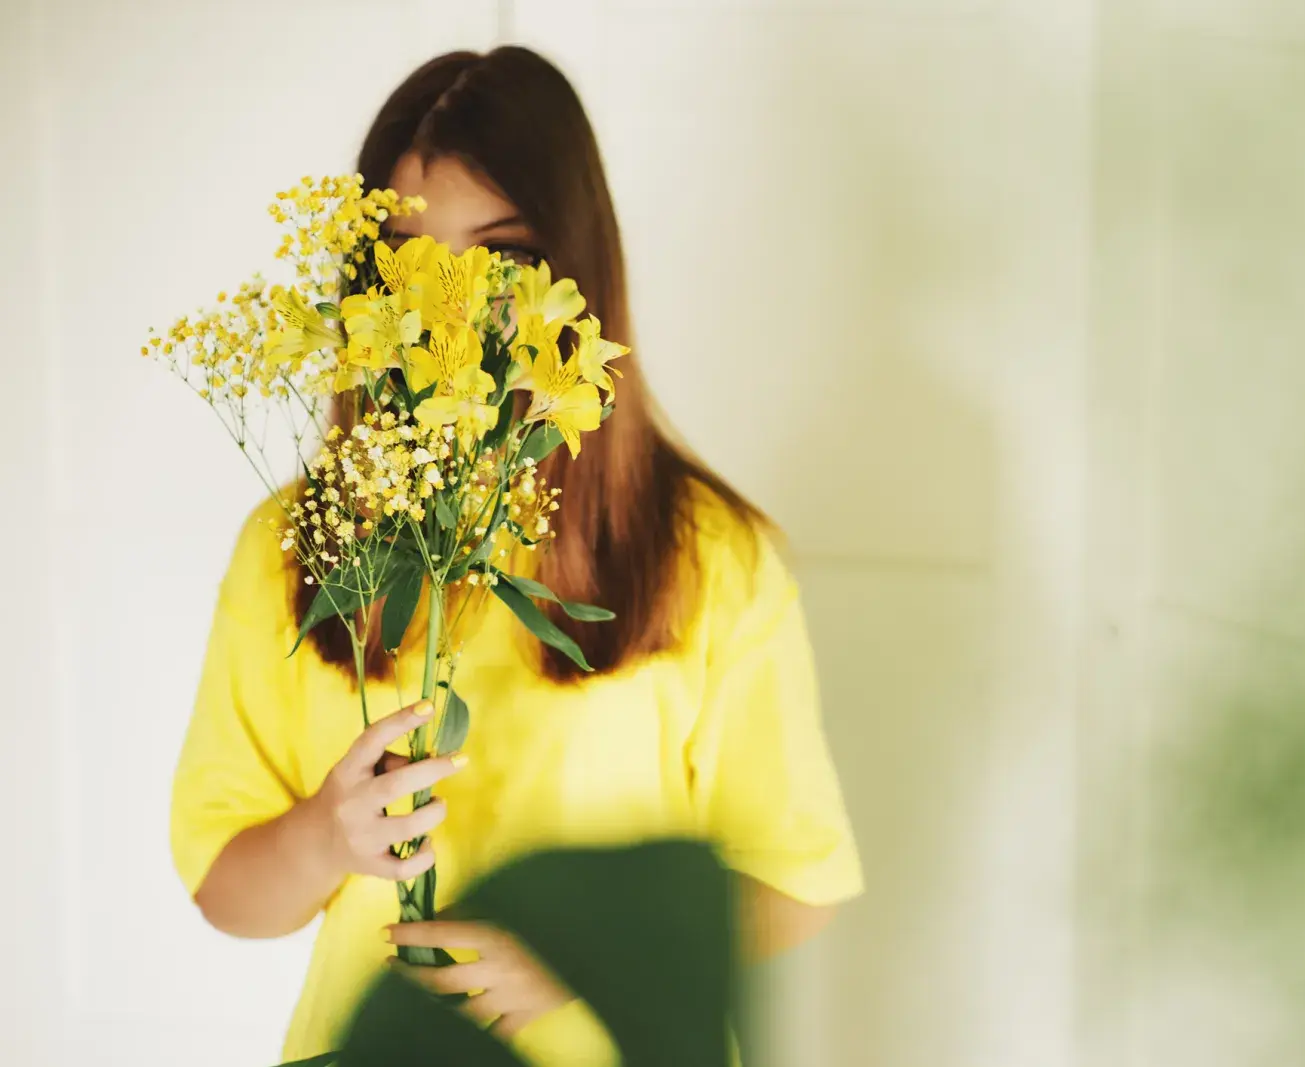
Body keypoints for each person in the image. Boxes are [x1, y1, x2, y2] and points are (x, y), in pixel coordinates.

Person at [170, 46, 862, 1065]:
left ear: (575, 270)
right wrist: (324, 836)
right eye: (413, 258)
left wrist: (587, 953)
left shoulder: (715, 557)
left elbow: (797, 880)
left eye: (502, 258)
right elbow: (226, 888)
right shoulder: (292, 549)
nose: (454, 305)